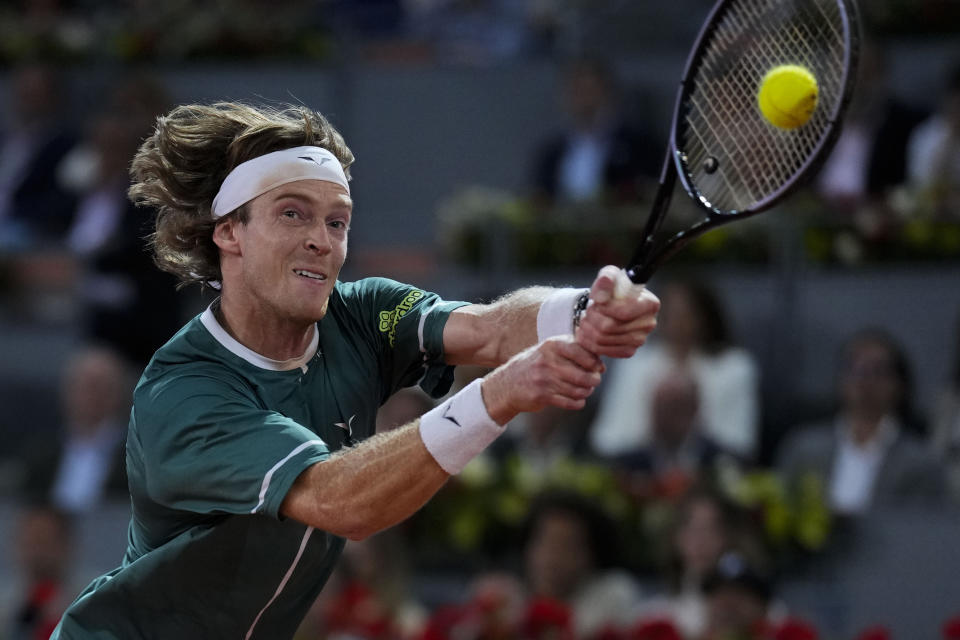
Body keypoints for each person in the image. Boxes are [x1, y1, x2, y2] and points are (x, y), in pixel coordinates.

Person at [51, 101, 660, 639]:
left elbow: (493, 327)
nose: (323, 240)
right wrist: (498, 396)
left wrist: (582, 310)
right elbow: (341, 501)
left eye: (337, 220)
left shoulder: (362, 314)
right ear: (230, 232)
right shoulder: (184, 391)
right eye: (293, 213)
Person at [776, 328, 945, 516]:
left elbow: (925, 531)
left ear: (899, 384)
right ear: (840, 379)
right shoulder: (803, 448)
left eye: (878, 371)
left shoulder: (920, 463)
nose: (865, 381)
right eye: (856, 369)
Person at [590, 276, 759, 460]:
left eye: (686, 314)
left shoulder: (735, 367)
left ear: (705, 316)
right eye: (672, 314)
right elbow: (608, 440)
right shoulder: (634, 363)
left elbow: (739, 446)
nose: (679, 323)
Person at [20, 345, 132, 514]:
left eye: (103, 388)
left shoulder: (137, 456)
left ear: (119, 394)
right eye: (88, 387)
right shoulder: (41, 453)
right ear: (68, 392)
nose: (94, 397)